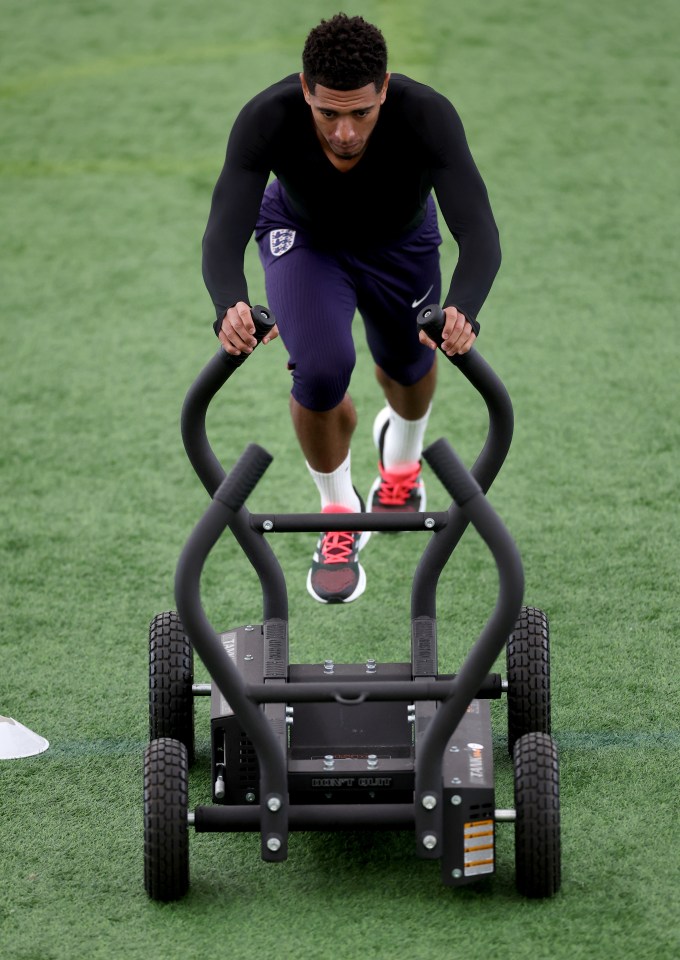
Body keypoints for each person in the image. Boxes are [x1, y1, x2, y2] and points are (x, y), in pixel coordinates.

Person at [202, 13, 501, 604]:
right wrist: (228, 303)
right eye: (328, 113)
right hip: (303, 239)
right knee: (320, 369)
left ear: (384, 89)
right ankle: (339, 508)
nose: (344, 132)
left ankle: (403, 459)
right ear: (305, 89)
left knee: (407, 366)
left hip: (402, 245)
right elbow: (222, 230)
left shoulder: (426, 115)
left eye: (360, 112)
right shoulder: (267, 117)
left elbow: (481, 233)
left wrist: (463, 308)